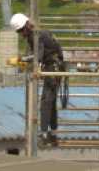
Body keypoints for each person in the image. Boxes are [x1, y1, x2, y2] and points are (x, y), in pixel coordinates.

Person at [10, 13, 65, 146]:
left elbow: (38, 57)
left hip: (54, 67)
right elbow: (33, 54)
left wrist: (21, 60)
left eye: (22, 30)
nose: (21, 33)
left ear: (27, 25)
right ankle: (52, 134)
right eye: (19, 31)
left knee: (46, 101)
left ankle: (44, 134)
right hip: (52, 66)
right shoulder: (32, 36)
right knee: (50, 102)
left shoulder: (37, 35)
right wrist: (24, 60)